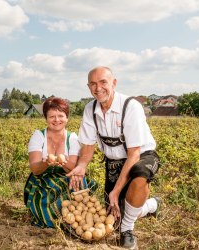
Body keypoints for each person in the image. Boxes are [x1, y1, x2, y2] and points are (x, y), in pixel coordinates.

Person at [67, 66, 161, 249]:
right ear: (88, 87)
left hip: (141, 156)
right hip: (114, 162)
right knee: (116, 211)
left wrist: (116, 190)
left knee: (139, 175)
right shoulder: (90, 109)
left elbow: (134, 154)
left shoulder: (130, 106)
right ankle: (152, 206)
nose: (98, 88)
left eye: (103, 82)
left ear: (114, 83)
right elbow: (87, 145)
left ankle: (127, 231)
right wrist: (82, 165)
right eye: (93, 84)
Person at [23, 97, 95, 228]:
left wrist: (62, 162)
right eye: (52, 117)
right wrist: (46, 163)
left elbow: (73, 168)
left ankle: (76, 220)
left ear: (67, 118)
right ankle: (53, 218)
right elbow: (34, 169)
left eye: (61, 116)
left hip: (67, 176)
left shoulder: (72, 138)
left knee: (79, 183)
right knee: (47, 200)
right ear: (46, 118)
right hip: (43, 178)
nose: (56, 120)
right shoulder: (38, 136)